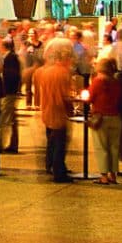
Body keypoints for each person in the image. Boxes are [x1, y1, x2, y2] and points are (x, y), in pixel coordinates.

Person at [33, 44, 74, 182]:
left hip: (47, 110)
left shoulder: (46, 71)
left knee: (51, 142)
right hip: (58, 112)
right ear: (66, 59)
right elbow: (65, 95)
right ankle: (59, 172)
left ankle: (49, 165)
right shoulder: (63, 73)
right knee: (59, 144)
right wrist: (71, 109)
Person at [86, 57, 122, 184]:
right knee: (114, 147)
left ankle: (103, 176)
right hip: (116, 117)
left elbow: (89, 98)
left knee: (101, 147)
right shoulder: (116, 82)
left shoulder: (98, 81)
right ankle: (113, 174)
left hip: (101, 118)